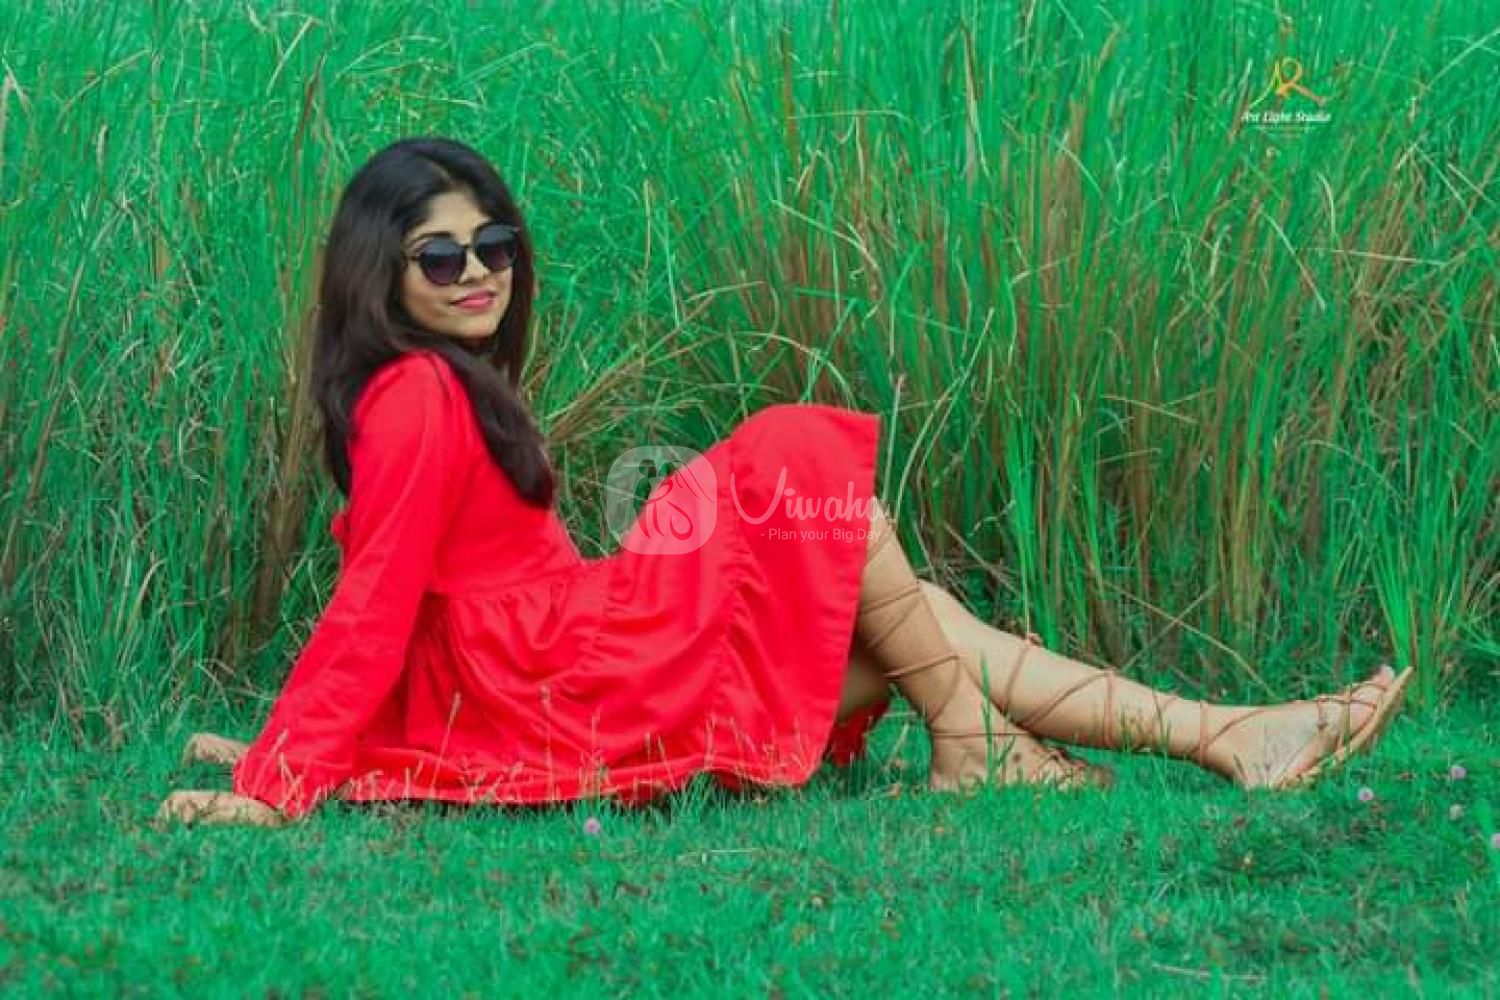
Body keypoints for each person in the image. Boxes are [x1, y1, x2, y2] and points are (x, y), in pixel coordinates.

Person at [155, 137, 1412, 829]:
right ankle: (1019, 745)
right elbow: (379, 599)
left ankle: (1221, 734)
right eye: (442, 256)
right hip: (558, 677)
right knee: (802, 460)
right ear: (381, 273)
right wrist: (281, 777)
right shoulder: (419, 395)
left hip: (555, 670)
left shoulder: (439, 386)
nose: (479, 271)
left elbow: (415, 607)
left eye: (495, 243)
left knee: (913, 619)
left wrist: (296, 742)